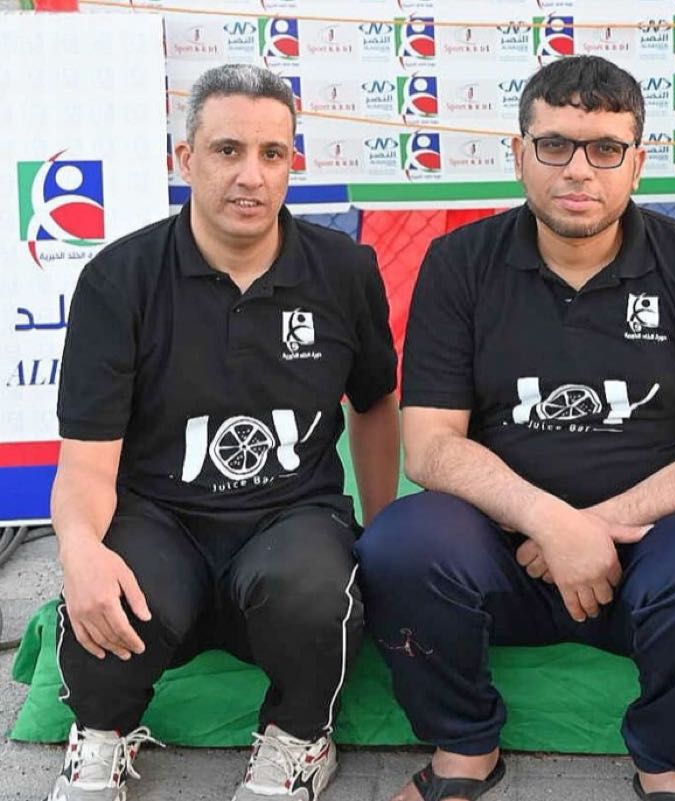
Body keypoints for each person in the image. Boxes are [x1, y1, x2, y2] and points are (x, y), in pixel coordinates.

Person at [354, 55, 675, 801]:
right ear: (520, 154)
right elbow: (429, 444)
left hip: (655, 550)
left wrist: (599, 526)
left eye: (605, 148)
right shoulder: (460, 264)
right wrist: (550, 522)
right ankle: (464, 747)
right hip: (504, 552)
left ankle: (667, 758)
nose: (579, 169)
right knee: (399, 544)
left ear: (637, 163)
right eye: (554, 145)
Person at [47, 64, 400, 801]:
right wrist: (79, 549)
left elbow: (374, 403)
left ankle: (299, 739)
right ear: (186, 159)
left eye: (273, 154)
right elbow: (85, 462)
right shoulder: (119, 279)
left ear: (291, 162)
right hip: (160, 516)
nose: (251, 176)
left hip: (290, 515)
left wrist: (382, 531)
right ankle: (101, 736)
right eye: (228, 150)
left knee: (313, 593)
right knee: (111, 585)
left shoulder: (343, 270)